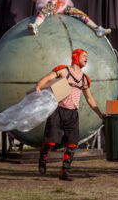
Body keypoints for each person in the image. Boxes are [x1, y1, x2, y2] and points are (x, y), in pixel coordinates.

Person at [36, 49, 105, 181]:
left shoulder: (84, 79)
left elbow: (89, 98)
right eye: (84, 56)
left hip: (72, 113)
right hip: (57, 110)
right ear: (76, 57)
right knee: (50, 141)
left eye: (87, 56)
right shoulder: (64, 71)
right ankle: (43, 158)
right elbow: (48, 78)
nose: (86, 58)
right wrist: (39, 87)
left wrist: (99, 113)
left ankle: (64, 172)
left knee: (72, 143)